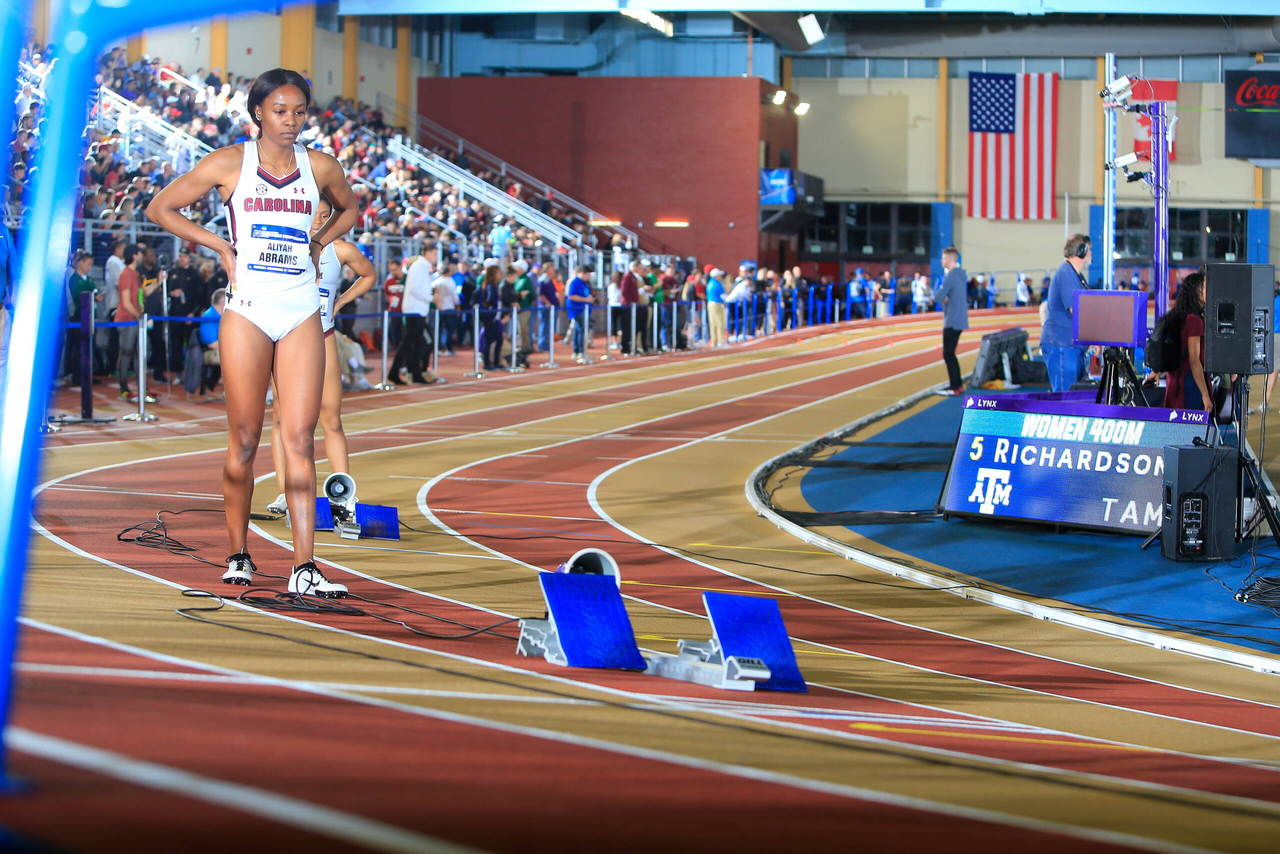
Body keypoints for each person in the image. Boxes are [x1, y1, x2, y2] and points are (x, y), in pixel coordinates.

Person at [146, 68, 358, 598]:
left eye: (300, 112)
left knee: (298, 440)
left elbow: (349, 207)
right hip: (247, 308)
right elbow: (161, 208)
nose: (291, 121)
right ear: (258, 113)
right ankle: (239, 551)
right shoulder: (229, 162)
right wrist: (220, 247)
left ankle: (304, 565)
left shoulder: (321, 166)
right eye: (281, 111)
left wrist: (319, 241)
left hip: (301, 309)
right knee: (243, 440)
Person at [268, 197, 377, 514]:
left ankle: (344, 496)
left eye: (325, 215)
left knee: (331, 418)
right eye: (314, 214)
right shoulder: (286, 245)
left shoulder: (340, 249)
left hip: (324, 333)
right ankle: (283, 494)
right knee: (280, 420)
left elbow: (369, 275)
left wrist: (340, 302)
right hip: (287, 337)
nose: (318, 220)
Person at [1041, 234, 1093, 393]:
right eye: (1089, 250)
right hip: (1062, 346)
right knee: (1065, 399)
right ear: (1081, 251)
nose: (1091, 254)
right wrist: (1096, 338)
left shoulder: (1074, 275)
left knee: (1072, 398)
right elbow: (1078, 311)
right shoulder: (1067, 275)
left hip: (1069, 346)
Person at [1163, 272, 1211, 412]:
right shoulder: (1194, 320)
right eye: (1206, 287)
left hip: (1174, 380)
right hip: (1189, 383)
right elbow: (1194, 360)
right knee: (1190, 430)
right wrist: (1205, 394)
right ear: (1197, 290)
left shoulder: (1177, 316)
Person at [390, 247, 437, 385]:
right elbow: (415, 289)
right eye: (434, 253)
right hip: (414, 310)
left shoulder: (421, 267)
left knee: (416, 344)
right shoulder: (419, 267)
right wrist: (431, 298)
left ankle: (412, 373)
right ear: (427, 253)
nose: (436, 256)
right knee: (410, 344)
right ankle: (400, 372)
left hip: (417, 310)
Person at [933, 246, 968, 395]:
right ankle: (957, 385)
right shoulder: (960, 276)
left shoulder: (951, 276)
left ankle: (955, 387)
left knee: (948, 354)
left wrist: (944, 299)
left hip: (952, 320)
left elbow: (938, 297)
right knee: (951, 353)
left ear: (949, 259)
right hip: (960, 319)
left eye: (943, 258)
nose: (941, 261)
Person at [197, 287, 226, 399]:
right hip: (211, 352)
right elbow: (213, 344)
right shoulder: (209, 316)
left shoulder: (220, 316)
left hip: (220, 350)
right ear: (224, 303)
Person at [565, 265, 593, 362]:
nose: (588, 277)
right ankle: (580, 351)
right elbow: (571, 296)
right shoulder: (575, 282)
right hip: (577, 310)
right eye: (587, 274)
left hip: (583, 309)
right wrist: (586, 299)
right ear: (582, 273)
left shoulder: (584, 283)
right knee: (581, 330)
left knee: (578, 330)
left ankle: (578, 351)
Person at [706, 267, 727, 347]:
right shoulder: (716, 284)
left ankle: (714, 340)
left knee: (713, 323)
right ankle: (721, 340)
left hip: (710, 303)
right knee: (719, 322)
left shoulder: (710, 283)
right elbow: (722, 295)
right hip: (716, 303)